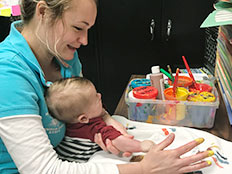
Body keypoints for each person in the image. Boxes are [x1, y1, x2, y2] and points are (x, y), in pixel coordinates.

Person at [0, 0, 214, 173]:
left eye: (88, 30)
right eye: (78, 28)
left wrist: (107, 119)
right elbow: (44, 169)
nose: (84, 41)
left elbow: (84, 108)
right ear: (43, 12)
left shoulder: (63, 55)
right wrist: (144, 168)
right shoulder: (8, 74)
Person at [45, 76, 155, 162]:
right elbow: (118, 141)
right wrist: (141, 145)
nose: (99, 95)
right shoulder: (93, 127)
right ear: (83, 119)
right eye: (95, 98)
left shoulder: (69, 119)